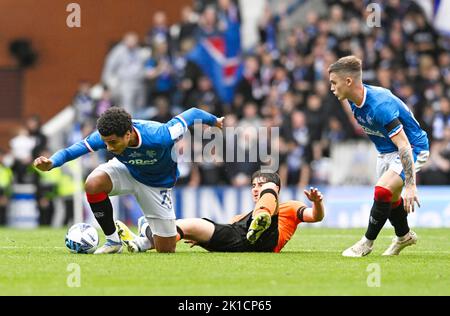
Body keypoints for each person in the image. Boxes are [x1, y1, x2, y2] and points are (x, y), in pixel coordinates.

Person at [34, 106, 223, 254]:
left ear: (128, 134)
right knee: (93, 184)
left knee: (166, 249)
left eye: (113, 143)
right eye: (105, 142)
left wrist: (215, 121)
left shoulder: (160, 135)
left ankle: (145, 229)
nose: (108, 147)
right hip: (127, 170)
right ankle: (113, 241)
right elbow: (72, 150)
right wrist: (52, 163)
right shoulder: (105, 136)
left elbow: (192, 114)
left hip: (157, 185)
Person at [328, 56, 430, 257]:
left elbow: (404, 144)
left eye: (334, 82)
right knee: (390, 199)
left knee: (382, 190)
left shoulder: (379, 105)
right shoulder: (353, 101)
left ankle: (366, 243)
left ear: (348, 81)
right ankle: (404, 236)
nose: (331, 88)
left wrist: (410, 184)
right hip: (385, 152)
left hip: (412, 148)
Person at [116, 171, 325, 253]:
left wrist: (317, 203)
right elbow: (232, 232)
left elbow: (315, 216)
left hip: (268, 241)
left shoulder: (288, 206)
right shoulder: (240, 217)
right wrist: (203, 239)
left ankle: (261, 220)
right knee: (190, 226)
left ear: (278, 188)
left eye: (260, 185)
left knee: (266, 199)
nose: (256, 188)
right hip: (239, 237)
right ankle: (144, 241)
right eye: (253, 185)